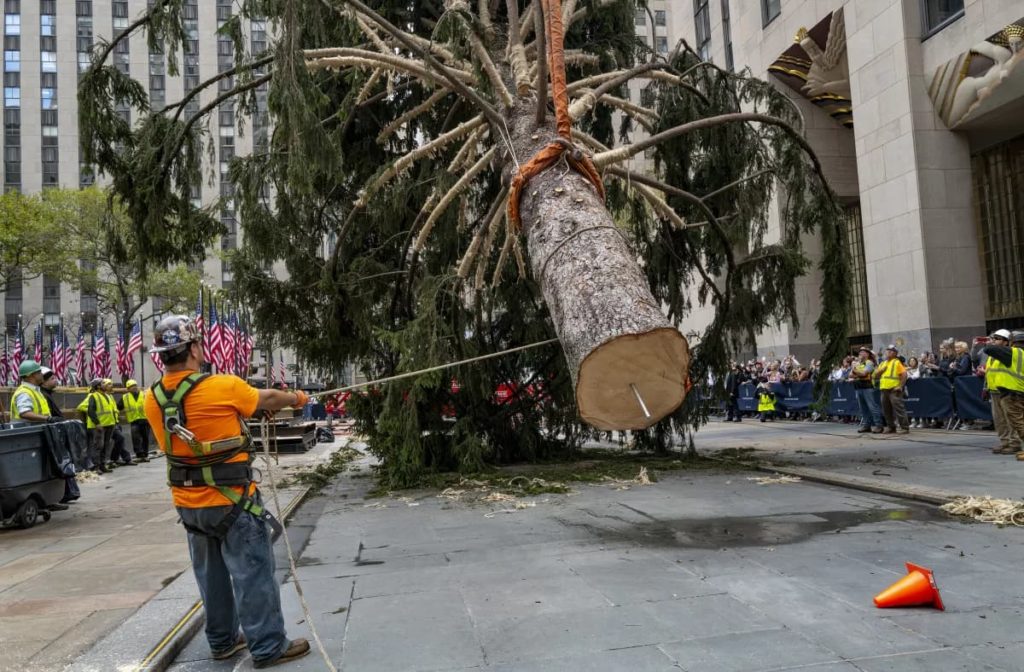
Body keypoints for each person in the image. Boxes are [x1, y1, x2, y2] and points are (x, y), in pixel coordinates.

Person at [143, 315, 311, 668]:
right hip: (231, 501)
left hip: (190, 505)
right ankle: (267, 646)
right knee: (252, 573)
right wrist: (297, 397)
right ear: (192, 349)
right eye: (199, 343)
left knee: (211, 577)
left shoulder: (152, 398)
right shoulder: (221, 387)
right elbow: (266, 398)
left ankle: (221, 641)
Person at [39, 367, 81, 504]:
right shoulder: (43, 395)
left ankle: (69, 492)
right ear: (43, 382)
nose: (56, 381)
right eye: (52, 379)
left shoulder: (47, 394)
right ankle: (66, 493)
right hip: (50, 433)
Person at [981, 329, 1024, 457]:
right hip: (998, 390)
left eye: (997, 339)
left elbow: (988, 349)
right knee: (1001, 420)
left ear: (1008, 342)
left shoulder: (1011, 353)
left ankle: (1013, 443)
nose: (993, 342)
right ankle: (1006, 442)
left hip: (1012, 391)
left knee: (1015, 421)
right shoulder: (997, 357)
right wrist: (986, 388)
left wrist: (989, 344)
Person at [875, 344, 910, 434]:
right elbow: (876, 375)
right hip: (884, 389)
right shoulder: (883, 363)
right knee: (886, 410)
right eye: (887, 351)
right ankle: (891, 427)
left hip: (894, 389)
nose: (888, 352)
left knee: (899, 408)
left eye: (891, 351)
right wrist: (881, 371)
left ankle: (905, 427)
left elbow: (904, 374)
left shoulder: (897, 362)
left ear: (895, 353)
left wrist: (900, 386)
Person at [849, 348, 883, 434]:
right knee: (863, 408)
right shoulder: (858, 363)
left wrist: (855, 370)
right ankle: (866, 425)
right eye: (860, 352)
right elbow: (850, 375)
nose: (860, 353)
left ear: (867, 354)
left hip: (868, 387)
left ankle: (879, 425)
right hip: (859, 387)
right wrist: (857, 373)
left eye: (863, 352)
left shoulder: (869, 363)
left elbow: (864, 374)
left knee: (872, 407)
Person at [103, 379, 135, 467]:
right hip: (107, 423)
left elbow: (115, 408)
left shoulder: (110, 396)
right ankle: (114, 459)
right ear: (104, 386)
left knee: (120, 441)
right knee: (120, 439)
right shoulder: (100, 396)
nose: (111, 386)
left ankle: (118, 459)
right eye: (109, 384)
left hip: (114, 422)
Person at [77, 378, 107, 472]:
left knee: (102, 446)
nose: (105, 384)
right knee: (97, 446)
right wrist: (95, 420)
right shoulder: (92, 396)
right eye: (103, 383)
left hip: (105, 424)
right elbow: (81, 407)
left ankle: (101, 465)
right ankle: (95, 467)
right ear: (98, 386)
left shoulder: (105, 395)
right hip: (95, 426)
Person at [119, 380, 151, 462]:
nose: (134, 387)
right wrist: (119, 416)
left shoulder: (144, 394)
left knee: (145, 438)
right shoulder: (125, 397)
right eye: (132, 386)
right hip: (134, 421)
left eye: (135, 385)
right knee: (135, 438)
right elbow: (118, 407)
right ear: (128, 389)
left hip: (145, 419)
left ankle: (145, 454)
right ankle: (139, 454)